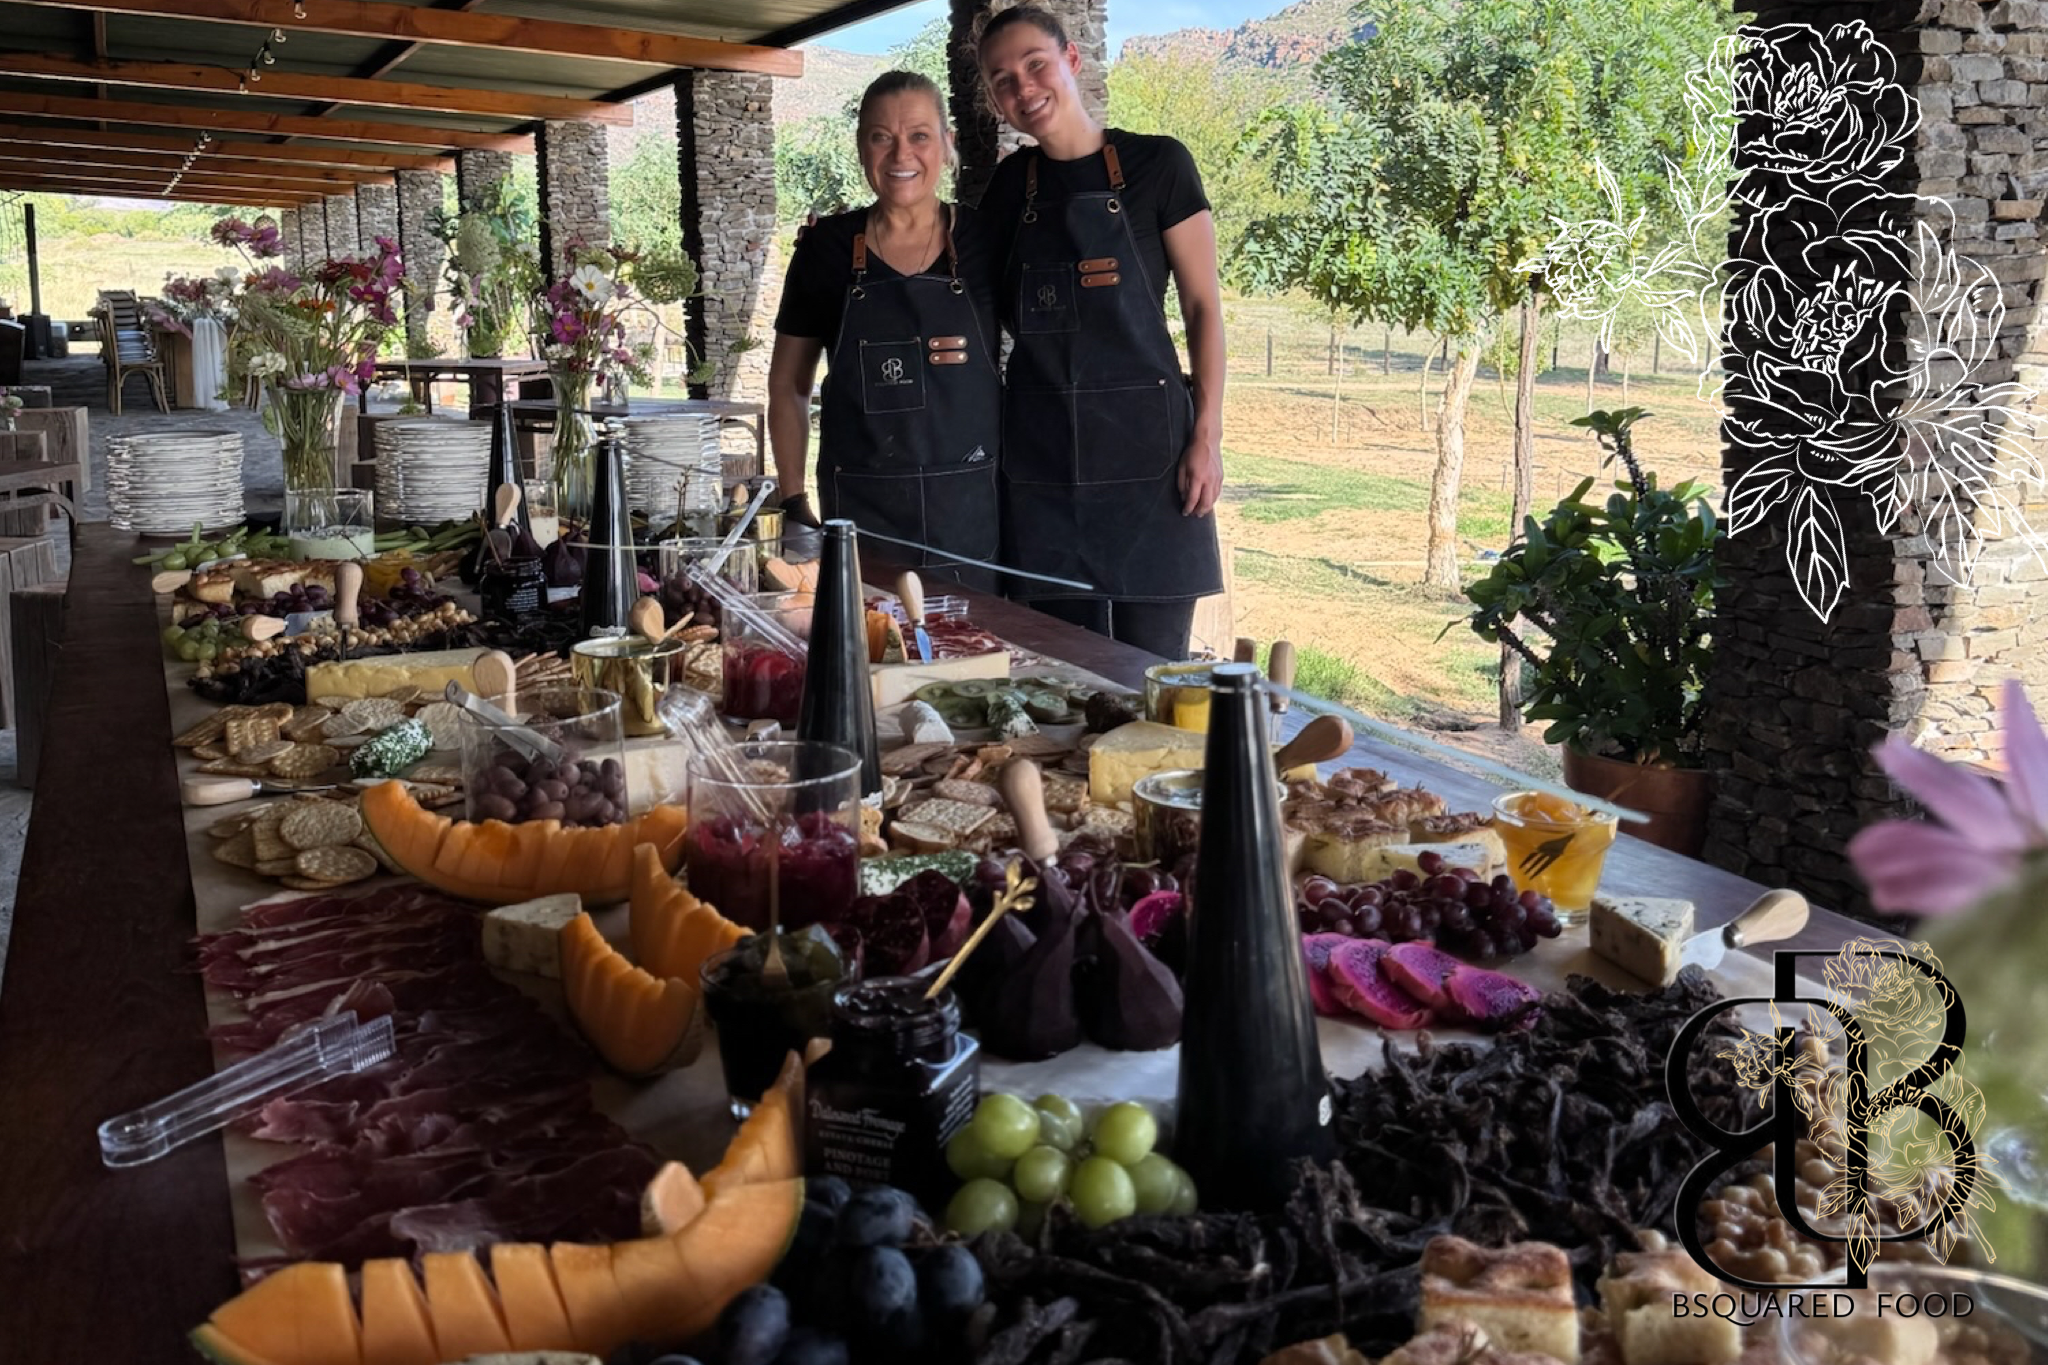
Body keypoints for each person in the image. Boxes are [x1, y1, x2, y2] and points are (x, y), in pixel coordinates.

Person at [976, 5, 1225, 661]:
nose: (1024, 88)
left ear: (1071, 60)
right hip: (1042, 466)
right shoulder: (1009, 189)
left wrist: (1207, 436)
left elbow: (1203, 307)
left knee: (1156, 673)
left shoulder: (1159, 166)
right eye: (1003, 80)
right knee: (1064, 675)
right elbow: (968, 297)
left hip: (1153, 463)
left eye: (1036, 65)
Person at [767, 70, 1002, 592]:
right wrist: (791, 499)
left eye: (919, 135)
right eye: (881, 137)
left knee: (972, 661)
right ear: (861, 147)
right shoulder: (825, 249)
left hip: (970, 514)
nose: (901, 155)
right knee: (871, 656)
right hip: (860, 512)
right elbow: (788, 385)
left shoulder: (989, 239)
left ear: (947, 144)